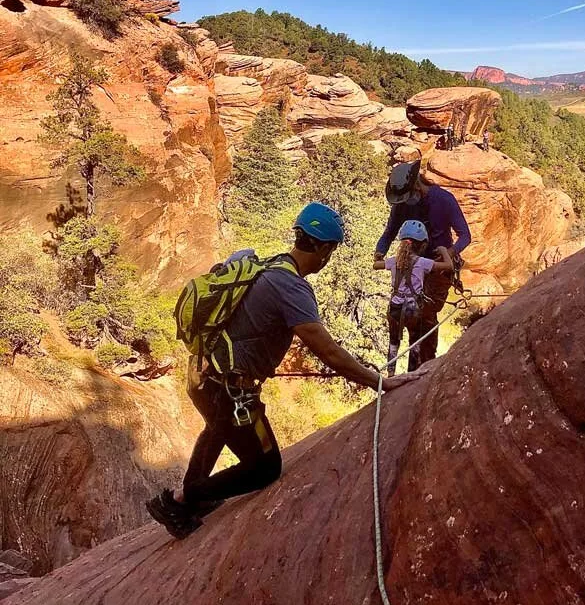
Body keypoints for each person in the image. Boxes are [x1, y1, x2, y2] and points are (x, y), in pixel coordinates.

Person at [147, 202, 416, 539]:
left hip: (204, 376)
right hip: (230, 388)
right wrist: (380, 382)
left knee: (217, 427)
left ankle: (185, 502)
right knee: (265, 468)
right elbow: (328, 351)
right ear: (320, 246)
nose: (328, 258)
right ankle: (180, 499)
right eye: (330, 250)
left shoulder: (272, 265)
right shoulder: (292, 287)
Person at [374, 160, 471, 364]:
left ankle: (424, 363)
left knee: (425, 316)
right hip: (412, 265)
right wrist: (379, 251)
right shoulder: (402, 206)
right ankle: (410, 362)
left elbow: (465, 236)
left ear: (417, 186)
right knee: (406, 313)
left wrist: (449, 252)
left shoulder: (443, 200)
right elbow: (390, 232)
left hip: (437, 270)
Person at [374, 220, 452, 374]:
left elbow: (376, 265)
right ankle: (410, 374)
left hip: (395, 308)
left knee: (393, 342)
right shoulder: (423, 262)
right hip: (413, 309)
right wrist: (443, 251)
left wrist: (378, 255)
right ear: (422, 245)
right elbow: (449, 266)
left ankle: (390, 374)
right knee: (414, 342)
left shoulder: (393, 261)